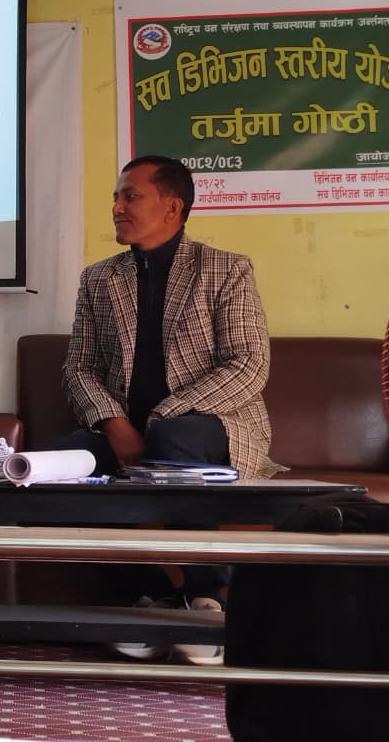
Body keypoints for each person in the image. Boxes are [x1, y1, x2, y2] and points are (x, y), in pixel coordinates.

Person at [60, 154, 278, 664]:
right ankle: (147, 597)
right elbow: (78, 368)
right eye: (116, 197)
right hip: (124, 425)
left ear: (172, 207)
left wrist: (163, 417)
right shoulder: (99, 279)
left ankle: (207, 599)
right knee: (63, 461)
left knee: (174, 439)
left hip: (214, 425)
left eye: (130, 196)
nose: (117, 207)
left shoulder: (225, 269)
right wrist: (115, 424)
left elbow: (249, 363)